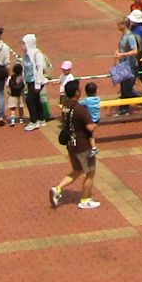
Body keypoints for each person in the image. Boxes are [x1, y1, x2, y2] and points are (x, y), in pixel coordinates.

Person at [49, 80, 101, 210]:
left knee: (77, 170)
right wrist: (95, 124)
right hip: (83, 146)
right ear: (77, 92)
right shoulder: (80, 109)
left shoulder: (66, 107)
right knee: (90, 172)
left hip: (71, 145)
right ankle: (85, 199)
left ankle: (58, 188)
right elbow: (90, 127)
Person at [19, 34, 51, 130]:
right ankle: (41, 118)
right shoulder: (26, 55)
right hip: (30, 81)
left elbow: (40, 68)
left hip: (37, 81)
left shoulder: (37, 54)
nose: (22, 45)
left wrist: (37, 84)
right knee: (36, 99)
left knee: (29, 99)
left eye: (24, 43)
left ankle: (34, 121)